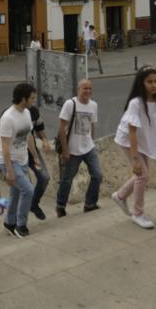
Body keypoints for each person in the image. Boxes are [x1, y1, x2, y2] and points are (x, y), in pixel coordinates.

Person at [112, 67, 156, 229]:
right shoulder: (136, 103)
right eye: (149, 81)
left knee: (143, 175)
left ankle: (120, 196)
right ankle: (137, 214)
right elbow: (132, 132)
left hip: (143, 140)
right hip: (128, 140)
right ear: (142, 83)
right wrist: (135, 160)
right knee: (142, 175)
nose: (153, 85)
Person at [55, 79, 101, 217]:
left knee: (97, 175)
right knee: (67, 179)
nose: (87, 91)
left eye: (90, 89)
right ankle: (60, 205)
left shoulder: (93, 105)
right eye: (84, 88)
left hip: (89, 148)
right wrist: (65, 149)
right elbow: (61, 127)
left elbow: (92, 124)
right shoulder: (70, 104)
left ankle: (90, 204)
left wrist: (91, 141)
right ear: (78, 89)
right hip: (73, 149)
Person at [0, 83, 38, 238]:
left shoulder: (27, 113)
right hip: (9, 161)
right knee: (28, 190)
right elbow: (5, 146)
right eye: (32, 98)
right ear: (23, 99)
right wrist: (9, 170)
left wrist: (34, 156)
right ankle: (21, 225)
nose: (34, 101)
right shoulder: (8, 118)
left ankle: (9, 222)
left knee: (15, 193)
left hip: (22, 160)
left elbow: (28, 137)